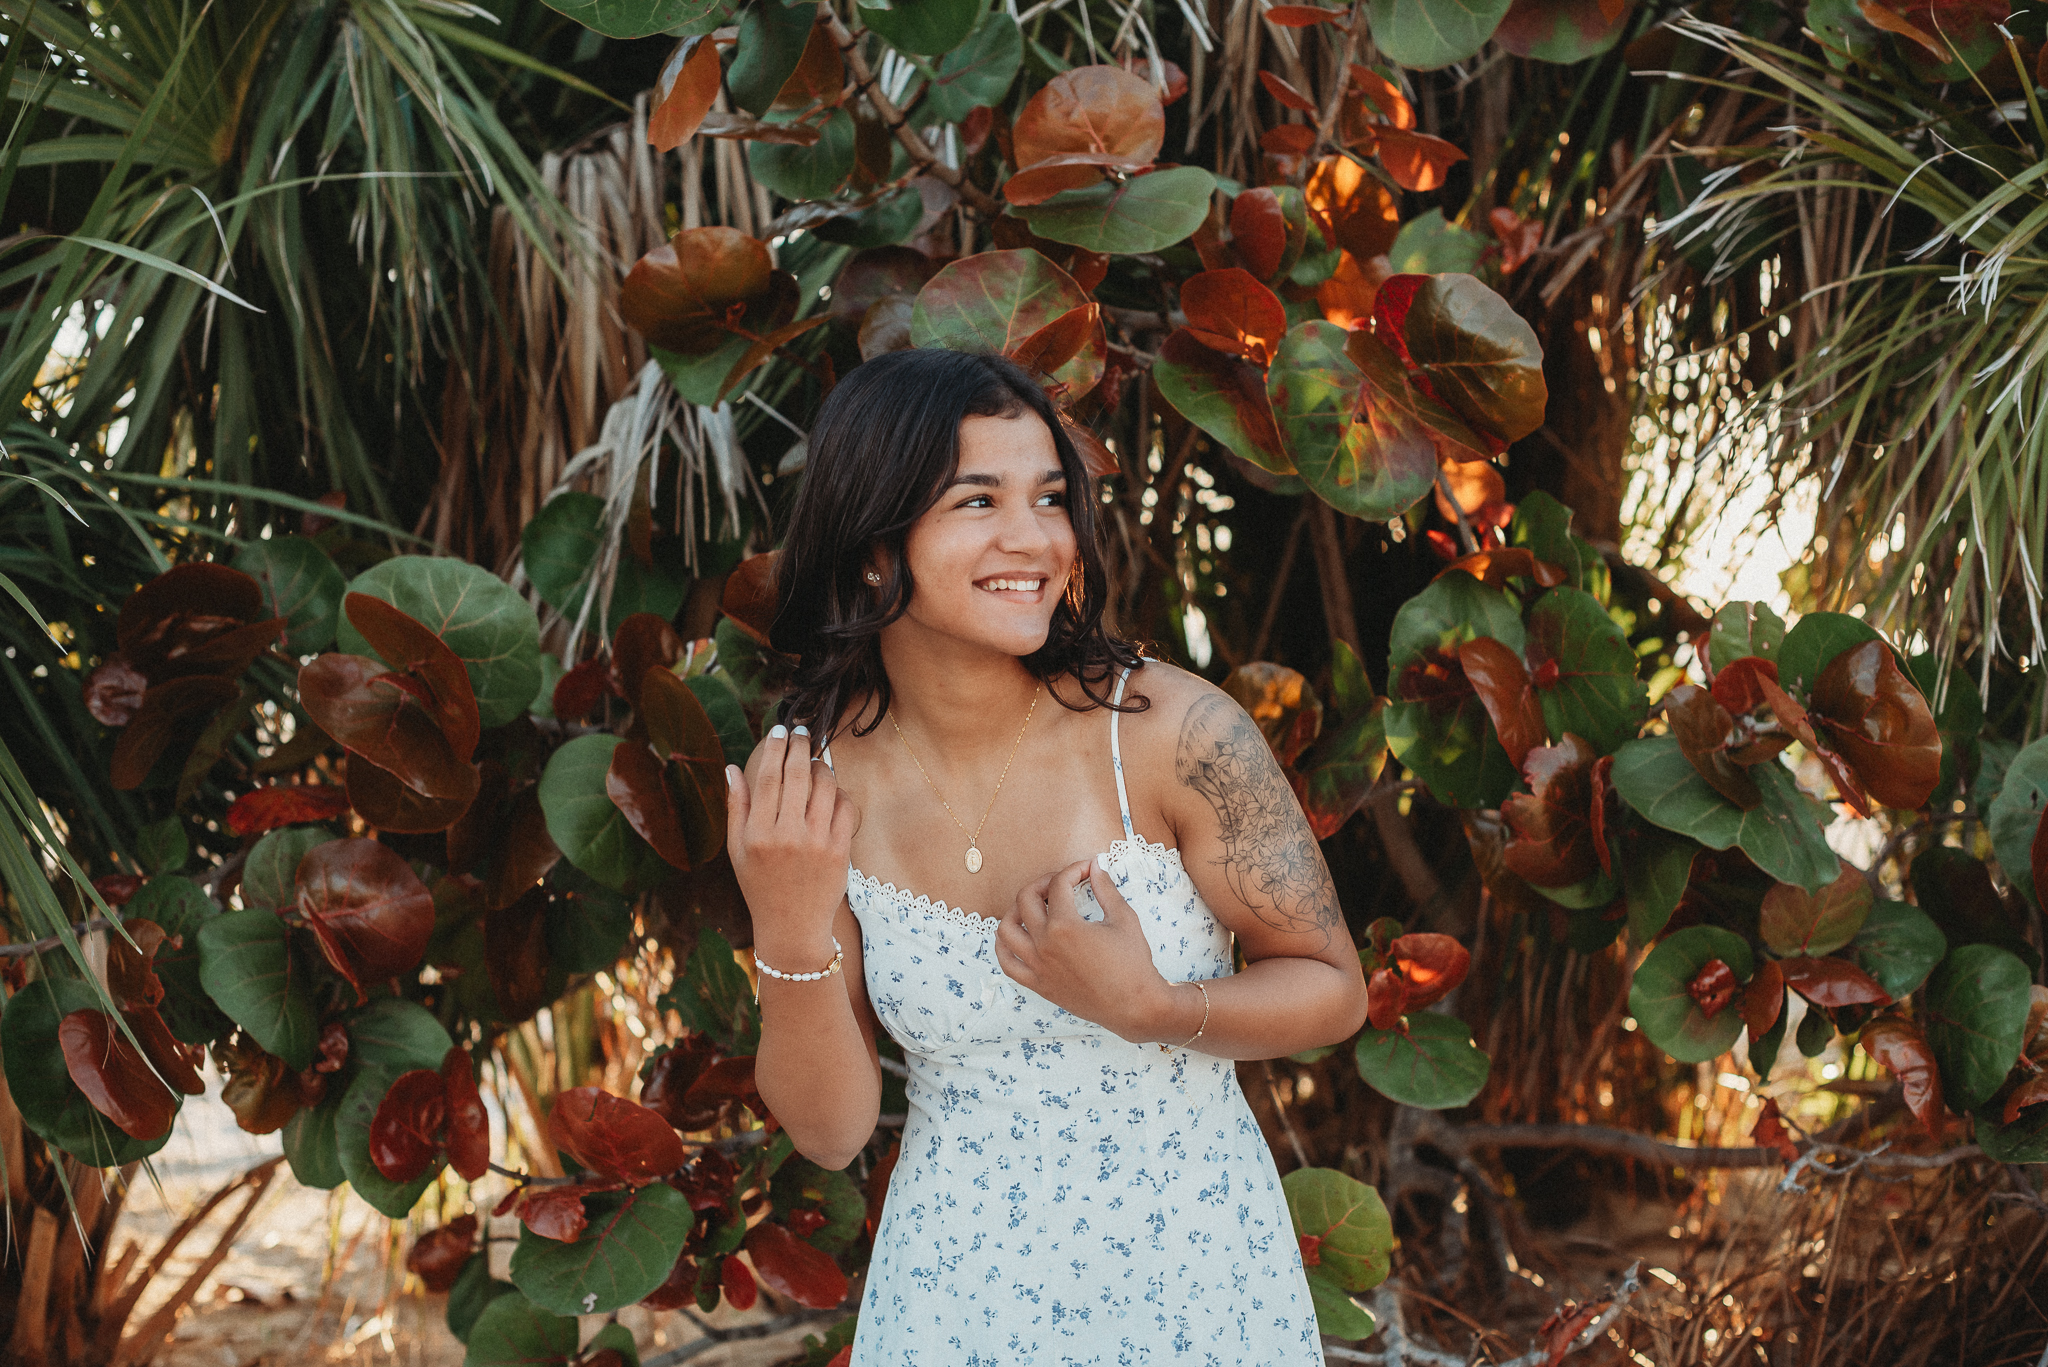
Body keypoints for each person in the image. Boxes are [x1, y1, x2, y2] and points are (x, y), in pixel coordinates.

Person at [724, 348, 1370, 1363]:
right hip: (953, 1299)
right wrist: (788, 918)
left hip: (1194, 1286)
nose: (1032, 538)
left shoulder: (1173, 733)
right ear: (870, 544)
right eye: (976, 500)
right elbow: (833, 1132)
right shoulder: (807, 784)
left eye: (1050, 498)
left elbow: (1332, 988)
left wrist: (1152, 1007)